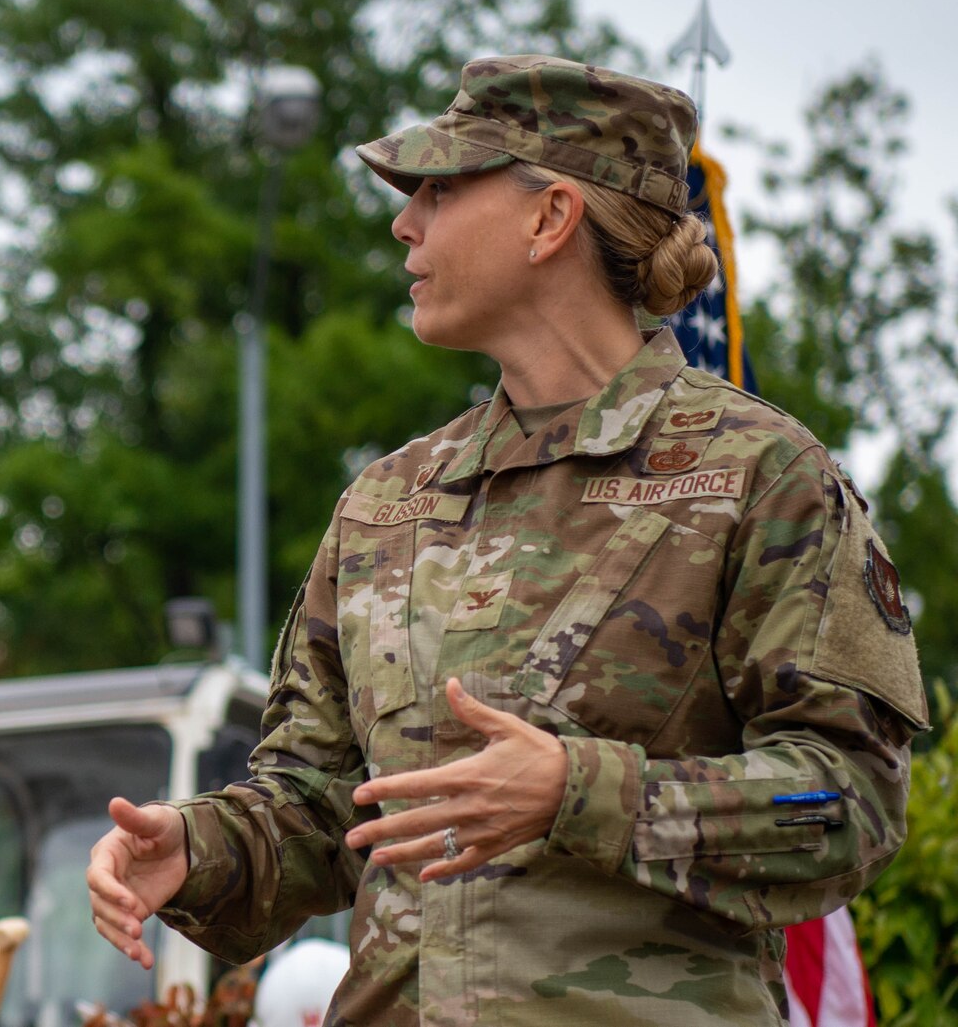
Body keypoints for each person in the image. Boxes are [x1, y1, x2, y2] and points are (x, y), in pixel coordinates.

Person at [86, 56, 927, 1024]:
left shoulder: (758, 476)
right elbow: (321, 809)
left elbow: (846, 804)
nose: (404, 225)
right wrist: (193, 848)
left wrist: (579, 791)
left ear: (548, 217)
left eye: (438, 191)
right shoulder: (383, 505)